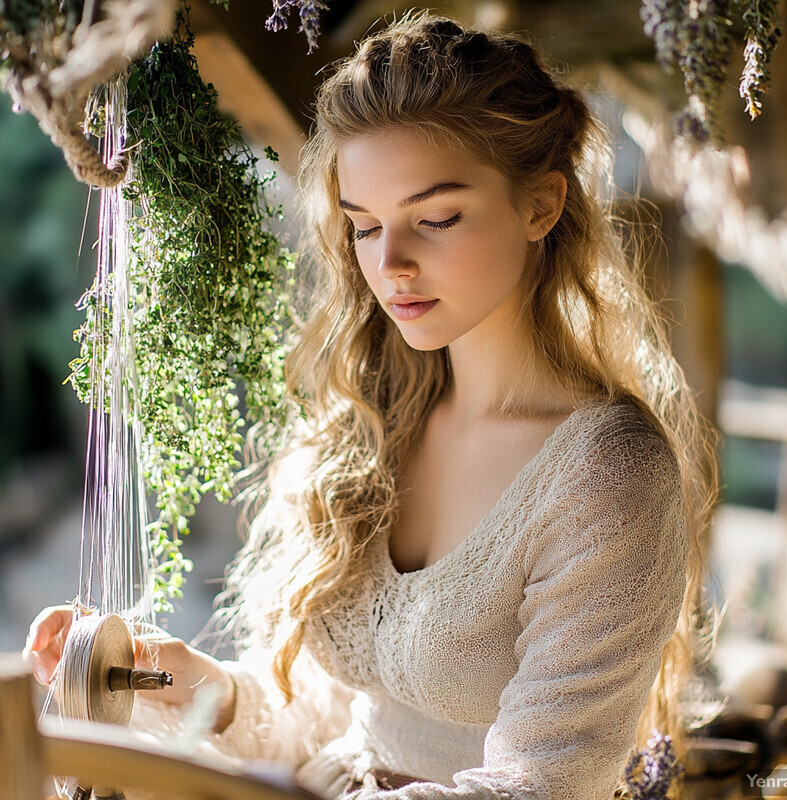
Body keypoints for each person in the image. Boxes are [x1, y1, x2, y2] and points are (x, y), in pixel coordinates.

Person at [24, 12, 718, 800]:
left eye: (437, 218)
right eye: (364, 227)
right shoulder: (377, 421)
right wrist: (206, 694)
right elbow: (342, 714)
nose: (391, 265)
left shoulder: (607, 476)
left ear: (541, 205)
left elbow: (540, 786)